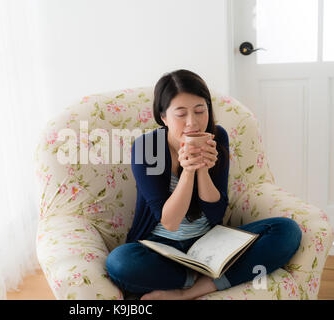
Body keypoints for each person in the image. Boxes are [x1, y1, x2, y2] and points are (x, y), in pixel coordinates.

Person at [105, 69, 302, 300]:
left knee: (286, 231)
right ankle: (207, 276)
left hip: (209, 243)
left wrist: (203, 170)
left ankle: (187, 291)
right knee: (120, 263)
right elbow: (169, 222)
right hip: (160, 248)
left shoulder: (217, 137)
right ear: (163, 117)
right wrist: (188, 171)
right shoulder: (147, 148)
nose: (193, 122)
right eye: (181, 114)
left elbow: (216, 213)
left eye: (200, 111)